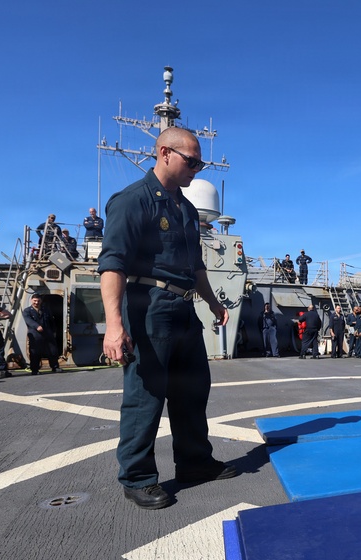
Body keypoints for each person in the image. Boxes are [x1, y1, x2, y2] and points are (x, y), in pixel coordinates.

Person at [98, 126, 237, 510]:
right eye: (192, 160)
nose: (198, 167)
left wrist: (212, 303)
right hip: (148, 306)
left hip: (183, 308)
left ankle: (195, 463)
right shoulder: (133, 201)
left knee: (192, 391)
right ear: (164, 154)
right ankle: (138, 478)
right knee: (145, 397)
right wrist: (114, 325)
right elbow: (113, 265)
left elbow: (195, 267)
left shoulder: (187, 209)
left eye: (201, 161)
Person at [23, 294, 60, 374]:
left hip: (47, 332)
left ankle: (55, 367)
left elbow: (51, 321)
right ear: (31, 300)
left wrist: (54, 331)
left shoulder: (45, 310)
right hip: (35, 334)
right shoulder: (27, 311)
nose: (36, 303)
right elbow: (28, 320)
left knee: (52, 351)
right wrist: (37, 326)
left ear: (41, 301)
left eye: (38, 301)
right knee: (35, 352)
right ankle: (35, 369)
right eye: (35, 301)